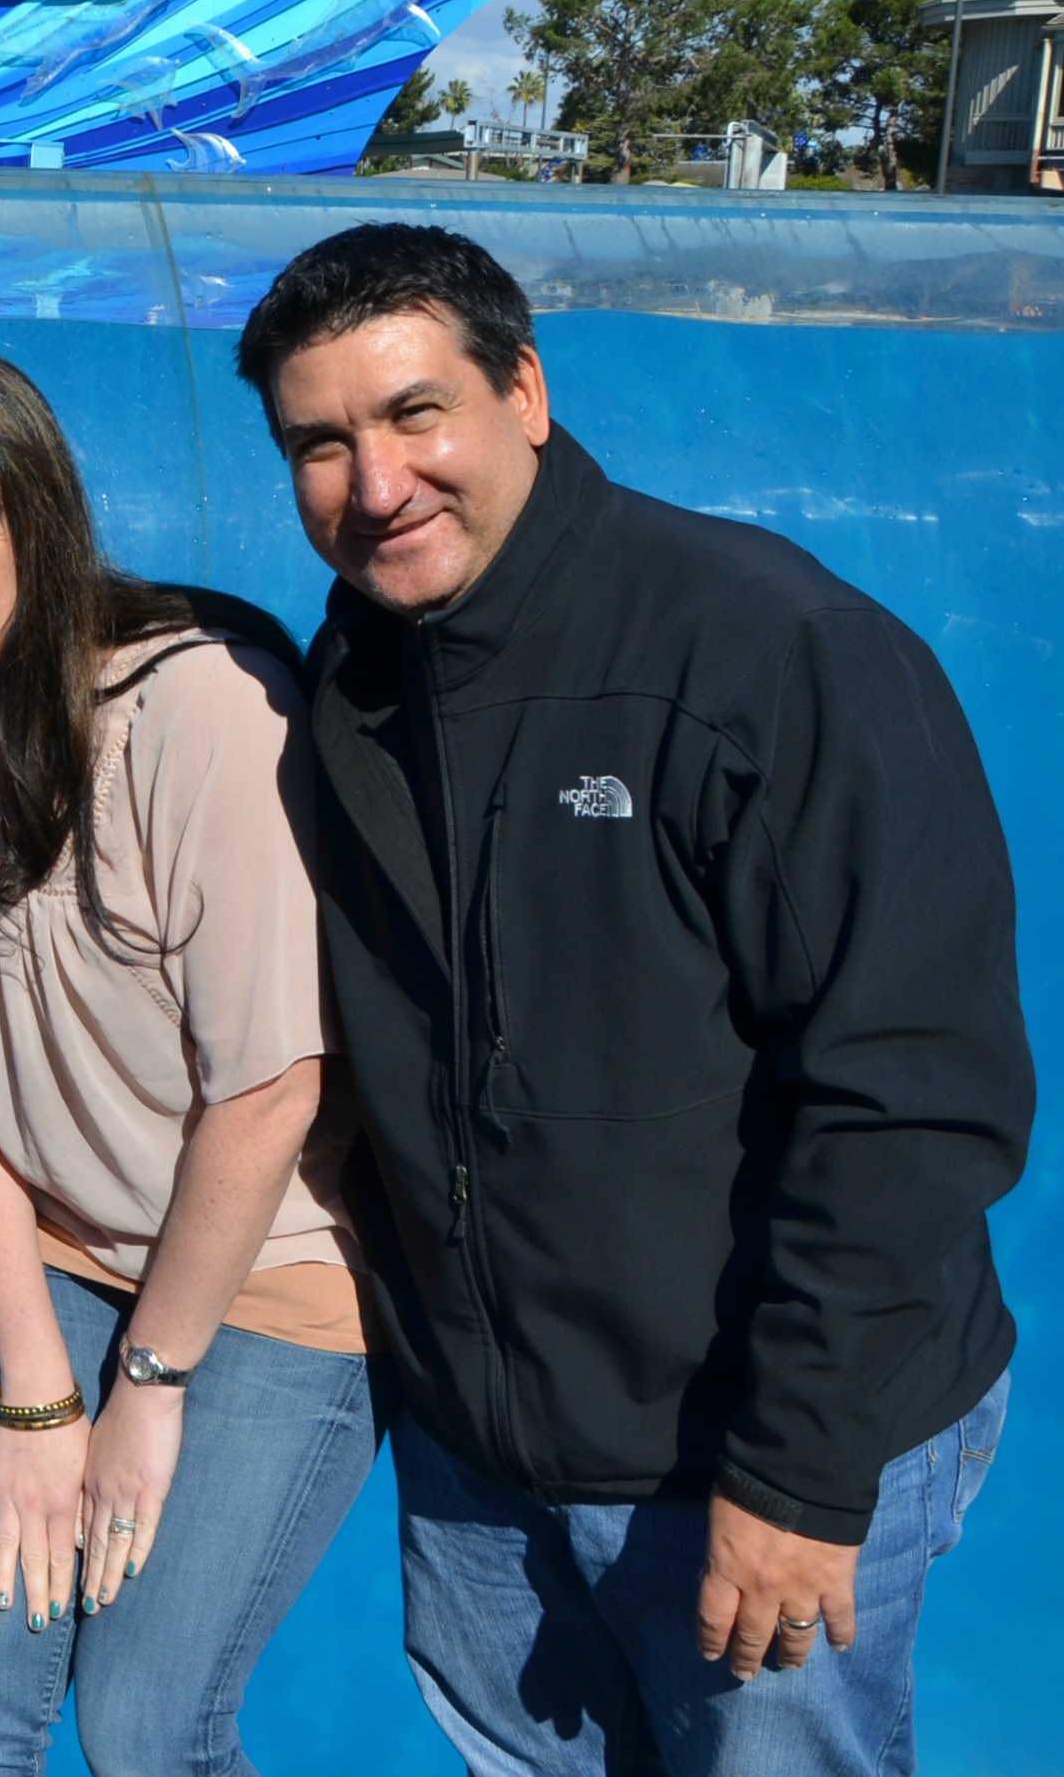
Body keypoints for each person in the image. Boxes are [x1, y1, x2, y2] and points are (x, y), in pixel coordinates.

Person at [235, 222, 1028, 1776]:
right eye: (317, 443)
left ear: (523, 387)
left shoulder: (768, 651)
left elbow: (910, 1090)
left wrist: (798, 1472)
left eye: (414, 414)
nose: (373, 481)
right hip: (489, 1467)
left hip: (746, 1445)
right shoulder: (357, 677)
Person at [0, 348, 380, 1776]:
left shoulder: (201, 707)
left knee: (145, 1721)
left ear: (36, 527)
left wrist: (149, 1384)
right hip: (60, 1272)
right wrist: (41, 1390)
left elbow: (269, 1085)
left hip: (272, 1280)